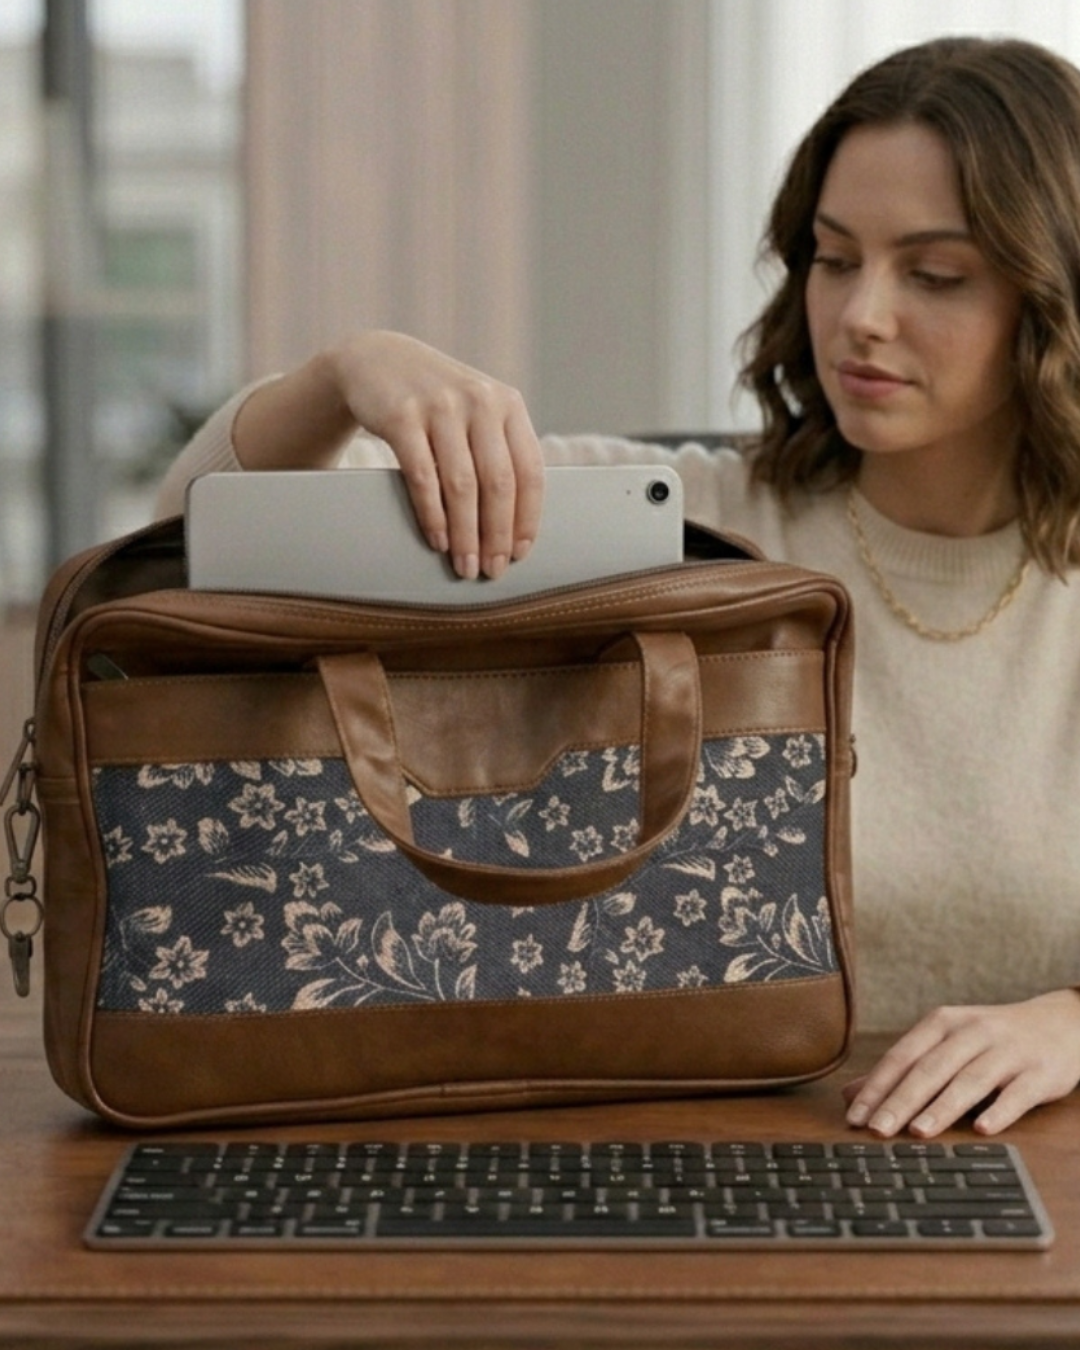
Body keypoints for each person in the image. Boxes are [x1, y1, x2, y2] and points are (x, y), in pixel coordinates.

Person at [157, 35, 1080, 1139]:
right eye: (834, 260)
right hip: (694, 1150)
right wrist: (344, 374)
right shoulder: (679, 522)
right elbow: (196, 540)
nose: (863, 316)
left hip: (1019, 1188)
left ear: (1052, 298)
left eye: (934, 274)